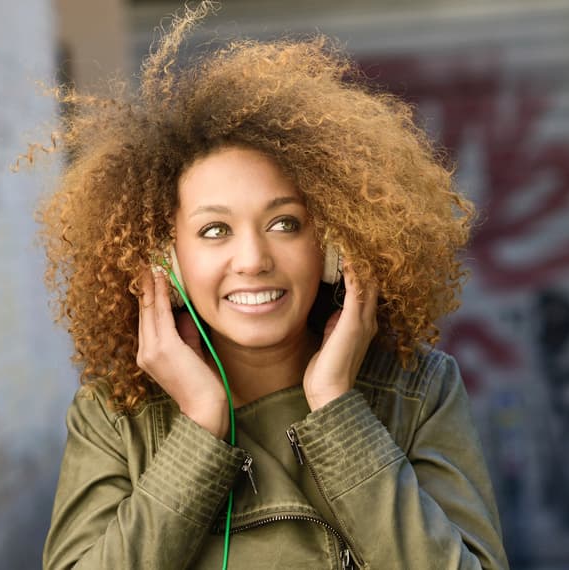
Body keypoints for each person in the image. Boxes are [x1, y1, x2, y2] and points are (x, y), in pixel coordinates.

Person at [32, 3, 508, 568]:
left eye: (285, 223)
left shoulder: (416, 392)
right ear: (164, 258)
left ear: (333, 245)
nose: (253, 259)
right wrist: (200, 427)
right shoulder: (115, 416)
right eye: (214, 230)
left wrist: (337, 407)